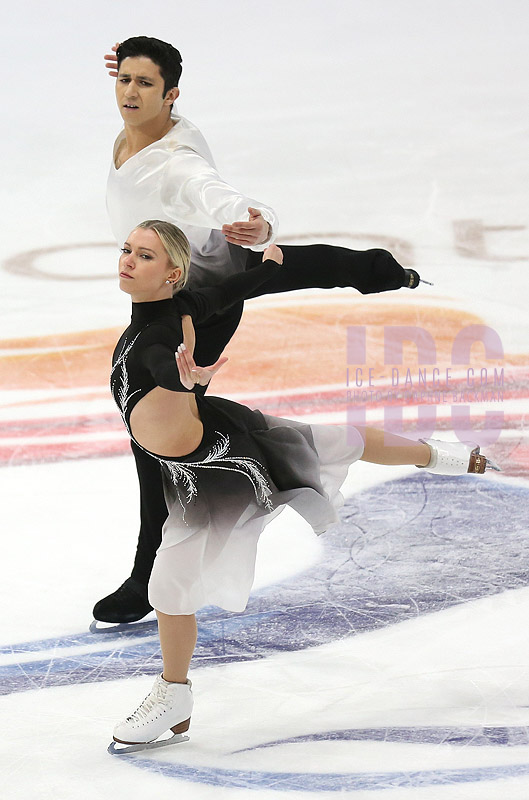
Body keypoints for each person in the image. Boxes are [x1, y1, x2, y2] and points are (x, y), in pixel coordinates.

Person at [108, 220, 497, 752]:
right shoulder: (185, 305)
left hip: (214, 467)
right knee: (331, 442)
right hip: (206, 438)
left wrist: (186, 379)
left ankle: (173, 695)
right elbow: (228, 290)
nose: (128, 259)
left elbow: (162, 364)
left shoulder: (159, 334)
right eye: (127, 250)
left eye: (145, 256)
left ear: (172, 273)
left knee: (169, 583)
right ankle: (446, 456)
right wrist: (266, 269)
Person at [94, 35, 426, 627]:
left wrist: (255, 218)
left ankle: (148, 575)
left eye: (146, 84)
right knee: (283, 266)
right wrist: (137, 59)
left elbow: (211, 189)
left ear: (171, 95)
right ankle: (375, 269)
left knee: (153, 443)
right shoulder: (142, 128)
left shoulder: (176, 158)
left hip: (197, 304)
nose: (131, 92)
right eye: (125, 80)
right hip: (204, 266)